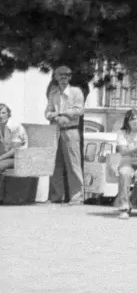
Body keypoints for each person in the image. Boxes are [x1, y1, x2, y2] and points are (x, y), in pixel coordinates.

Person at [44, 66, 85, 204]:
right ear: (56, 77)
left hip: (70, 130)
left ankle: (77, 197)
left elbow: (79, 110)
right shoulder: (53, 93)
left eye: (67, 75)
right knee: (55, 164)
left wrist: (62, 114)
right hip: (55, 131)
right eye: (60, 75)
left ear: (70, 77)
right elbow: (47, 112)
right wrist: (56, 117)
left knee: (73, 164)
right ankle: (56, 196)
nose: (63, 77)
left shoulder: (76, 92)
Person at [112, 109, 137, 219]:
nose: (135, 121)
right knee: (124, 173)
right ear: (127, 121)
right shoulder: (122, 133)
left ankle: (131, 202)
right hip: (127, 164)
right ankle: (124, 208)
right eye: (132, 119)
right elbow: (123, 151)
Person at [0, 103, 27, 179]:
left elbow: (15, 150)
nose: (0, 116)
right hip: (7, 156)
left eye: (3, 113)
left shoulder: (14, 126)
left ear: (8, 114)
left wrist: (1, 157)